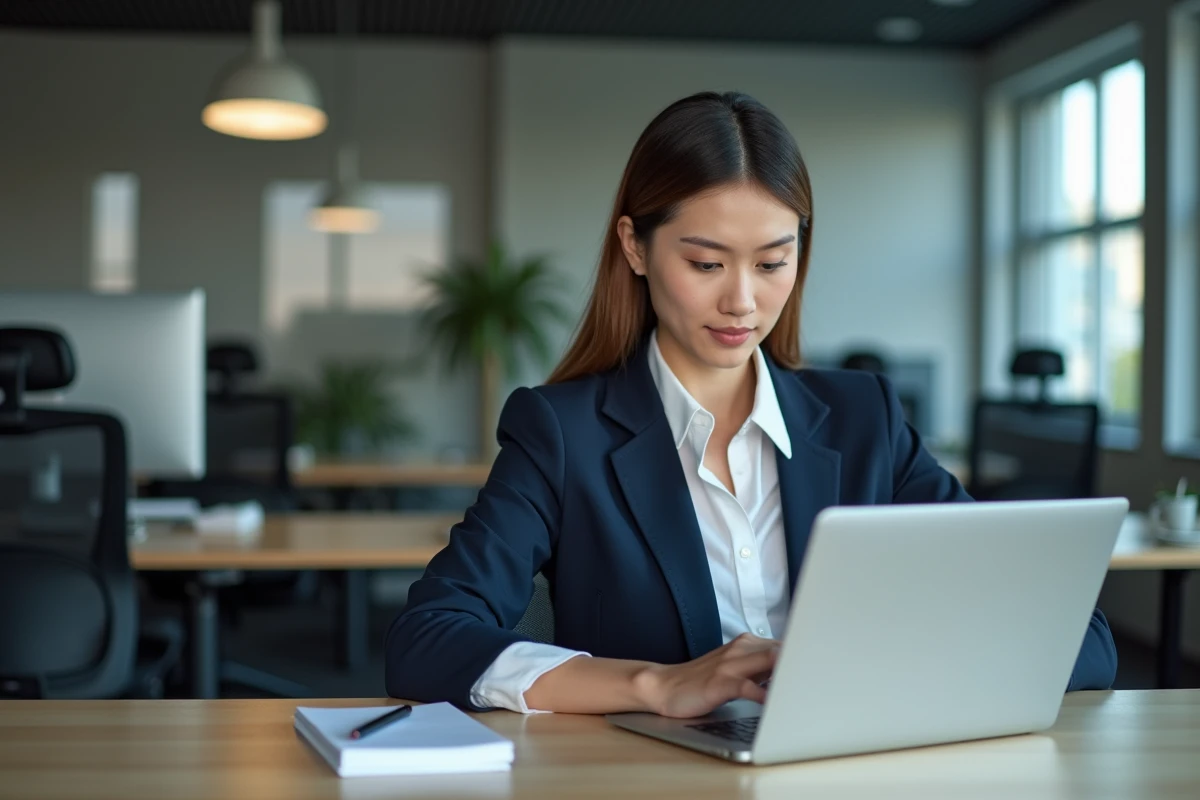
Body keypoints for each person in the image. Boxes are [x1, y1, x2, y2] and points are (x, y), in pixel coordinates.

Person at [385, 91, 1117, 717]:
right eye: (706, 263)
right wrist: (657, 685)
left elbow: (1078, 638)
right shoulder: (563, 432)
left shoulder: (865, 420)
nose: (743, 300)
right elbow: (429, 641)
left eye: (773, 262)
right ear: (634, 247)